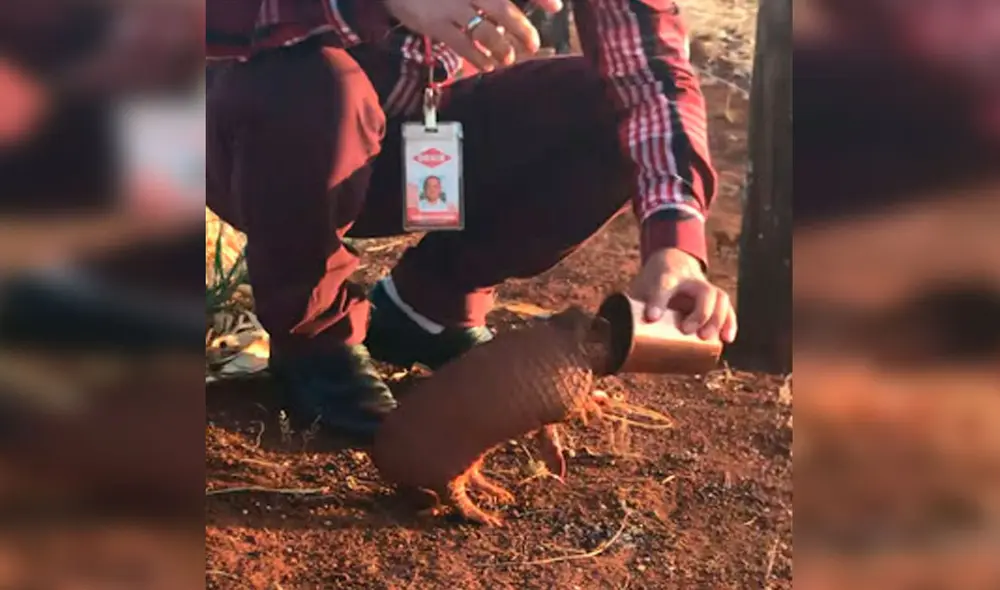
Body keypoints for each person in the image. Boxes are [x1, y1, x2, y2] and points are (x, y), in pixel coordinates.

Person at [206, 0, 739, 441]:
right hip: (245, 134)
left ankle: (426, 311)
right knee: (318, 84)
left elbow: (652, 78)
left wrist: (675, 244)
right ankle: (313, 336)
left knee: (606, 108)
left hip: (414, 130)